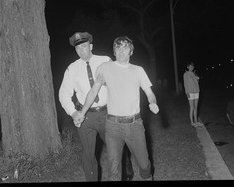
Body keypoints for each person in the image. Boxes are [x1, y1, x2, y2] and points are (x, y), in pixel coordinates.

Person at [75, 36, 159, 181]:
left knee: (144, 166)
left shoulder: (138, 70)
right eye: (118, 48)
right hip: (113, 126)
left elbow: (150, 93)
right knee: (114, 170)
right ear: (114, 52)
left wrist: (153, 102)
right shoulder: (105, 68)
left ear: (131, 52)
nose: (121, 51)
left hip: (135, 125)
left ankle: (147, 175)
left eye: (125, 47)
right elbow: (93, 91)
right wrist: (82, 113)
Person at [58, 32, 133, 181]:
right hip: (85, 116)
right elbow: (64, 94)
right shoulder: (71, 69)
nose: (81, 50)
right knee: (88, 154)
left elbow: (119, 81)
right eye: (78, 48)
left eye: (84, 46)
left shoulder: (105, 60)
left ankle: (126, 170)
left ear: (91, 46)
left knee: (117, 149)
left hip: (107, 113)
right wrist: (73, 113)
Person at [183, 61, 203, 127]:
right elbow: (185, 84)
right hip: (190, 92)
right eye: (190, 66)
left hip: (196, 91)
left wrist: (197, 78)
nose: (191, 67)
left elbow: (196, 82)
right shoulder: (186, 74)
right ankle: (192, 122)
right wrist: (187, 92)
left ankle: (196, 121)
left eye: (192, 66)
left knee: (196, 107)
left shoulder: (194, 74)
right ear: (188, 67)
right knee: (192, 107)